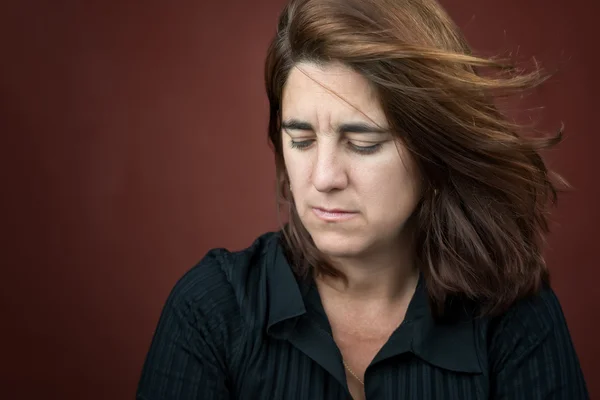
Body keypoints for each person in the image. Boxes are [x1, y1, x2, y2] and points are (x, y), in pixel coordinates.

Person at [136, 0, 589, 399]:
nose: (323, 177)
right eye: (301, 139)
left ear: (432, 149)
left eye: (363, 143)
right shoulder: (210, 310)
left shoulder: (513, 317)